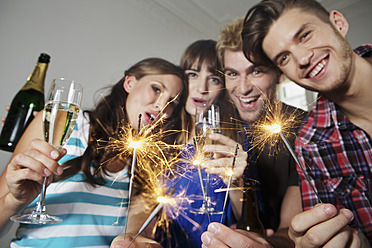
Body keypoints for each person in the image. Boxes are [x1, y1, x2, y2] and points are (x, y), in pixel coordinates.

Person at [0, 57, 187, 247]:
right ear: (130, 82)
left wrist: (143, 244)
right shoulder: (62, 123)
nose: (162, 106)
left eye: (172, 102)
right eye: (156, 89)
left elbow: (134, 237)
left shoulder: (145, 168)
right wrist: (14, 201)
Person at [241, 0, 372, 246]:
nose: (301, 58)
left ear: (338, 23)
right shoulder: (309, 144)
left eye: (304, 35)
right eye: (284, 57)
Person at [111, 39, 245, 248]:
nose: (202, 88)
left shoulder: (235, 143)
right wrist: (132, 236)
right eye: (193, 75)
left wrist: (236, 182)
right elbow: (144, 201)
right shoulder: (161, 141)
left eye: (214, 79)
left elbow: (249, 219)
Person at [201, 18, 306, 247]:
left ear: (279, 73)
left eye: (256, 71)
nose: (243, 87)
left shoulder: (303, 127)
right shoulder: (217, 127)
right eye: (232, 74)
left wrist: (263, 244)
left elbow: (291, 229)